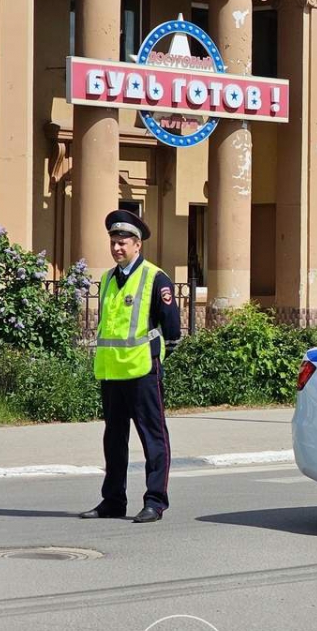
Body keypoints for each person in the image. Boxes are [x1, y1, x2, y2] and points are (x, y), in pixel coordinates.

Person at [80, 209, 181, 524]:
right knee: (114, 440)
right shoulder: (109, 278)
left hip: (142, 372)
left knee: (153, 439)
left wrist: (156, 358)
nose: (117, 248)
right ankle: (113, 501)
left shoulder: (155, 277)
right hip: (111, 372)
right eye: (113, 242)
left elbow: (172, 328)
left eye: (123, 242)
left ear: (138, 245)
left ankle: (155, 502)